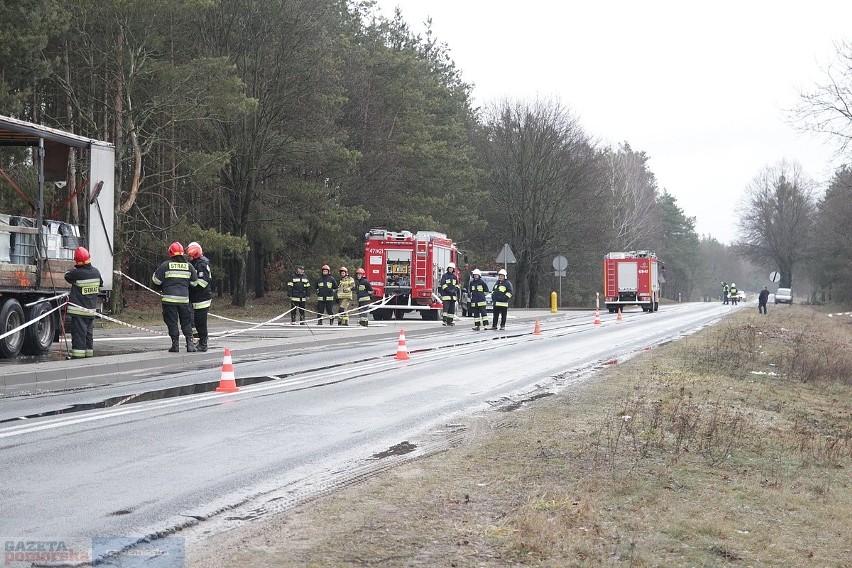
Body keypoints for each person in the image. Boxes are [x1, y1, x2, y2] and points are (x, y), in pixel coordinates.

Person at [152, 242, 198, 352]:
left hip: (169, 300)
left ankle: (175, 345)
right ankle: (190, 344)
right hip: (184, 300)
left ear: (170, 253)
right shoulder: (189, 266)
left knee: (172, 322)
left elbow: (156, 281)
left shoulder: (166, 265)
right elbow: (195, 283)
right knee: (186, 322)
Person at [64, 246, 103, 358]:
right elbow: (100, 284)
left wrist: (75, 268)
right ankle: (88, 354)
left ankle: (78, 356)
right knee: (88, 334)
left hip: (79, 311)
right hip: (91, 310)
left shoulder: (77, 273)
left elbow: (67, 276)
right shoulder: (96, 272)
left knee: (79, 334)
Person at [186, 241, 212, 352]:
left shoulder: (202, 264)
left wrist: (190, 285)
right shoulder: (196, 263)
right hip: (196, 298)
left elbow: (203, 282)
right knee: (196, 322)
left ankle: (204, 343)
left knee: (201, 322)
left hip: (202, 299)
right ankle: (201, 342)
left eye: (190, 255)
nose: (189, 257)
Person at [440, 262, 460, 326]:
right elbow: (443, 285)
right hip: (446, 296)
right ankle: (444, 321)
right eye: (450, 268)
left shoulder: (454, 277)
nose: (451, 269)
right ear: (448, 268)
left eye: (452, 268)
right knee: (445, 309)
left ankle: (450, 321)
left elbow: (457, 285)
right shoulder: (445, 276)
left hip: (453, 296)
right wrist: (449, 290)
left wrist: (455, 290)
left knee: (451, 310)